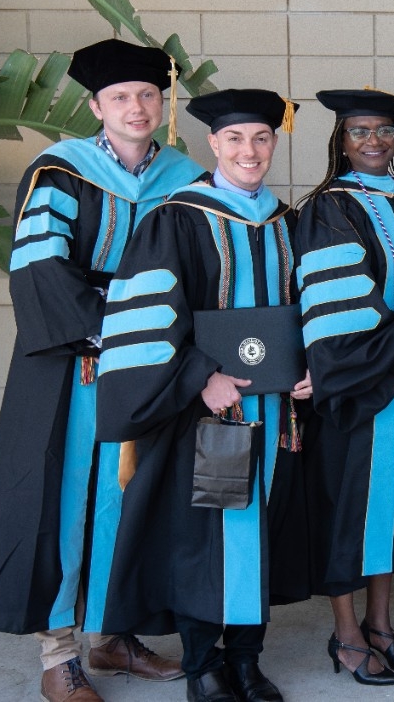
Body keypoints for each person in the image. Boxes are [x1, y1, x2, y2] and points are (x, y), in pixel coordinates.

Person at [0, 39, 202, 702]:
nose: (137, 107)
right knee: (67, 502)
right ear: (96, 106)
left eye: (148, 94)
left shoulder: (184, 176)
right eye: (121, 97)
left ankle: (114, 636)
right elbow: (40, 266)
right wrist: (104, 334)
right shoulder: (60, 172)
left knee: (135, 497)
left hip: (155, 362)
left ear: (162, 102)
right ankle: (59, 654)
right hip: (77, 363)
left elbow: (202, 267)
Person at [94, 88, 313, 702]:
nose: (250, 150)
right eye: (236, 139)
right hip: (207, 413)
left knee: (260, 530)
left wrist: (312, 364)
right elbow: (148, 317)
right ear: (213, 144)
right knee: (205, 538)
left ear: (274, 143)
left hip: (277, 412)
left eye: (262, 138)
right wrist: (199, 377)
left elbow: (311, 310)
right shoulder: (177, 217)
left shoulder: (287, 223)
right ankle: (201, 667)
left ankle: (246, 660)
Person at [294, 88, 394, 686]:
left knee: (391, 504)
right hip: (354, 389)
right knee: (348, 508)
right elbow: (336, 306)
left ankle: (382, 623)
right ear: (339, 139)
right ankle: (346, 633)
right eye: (359, 131)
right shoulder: (328, 207)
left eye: (385, 131)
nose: (374, 141)